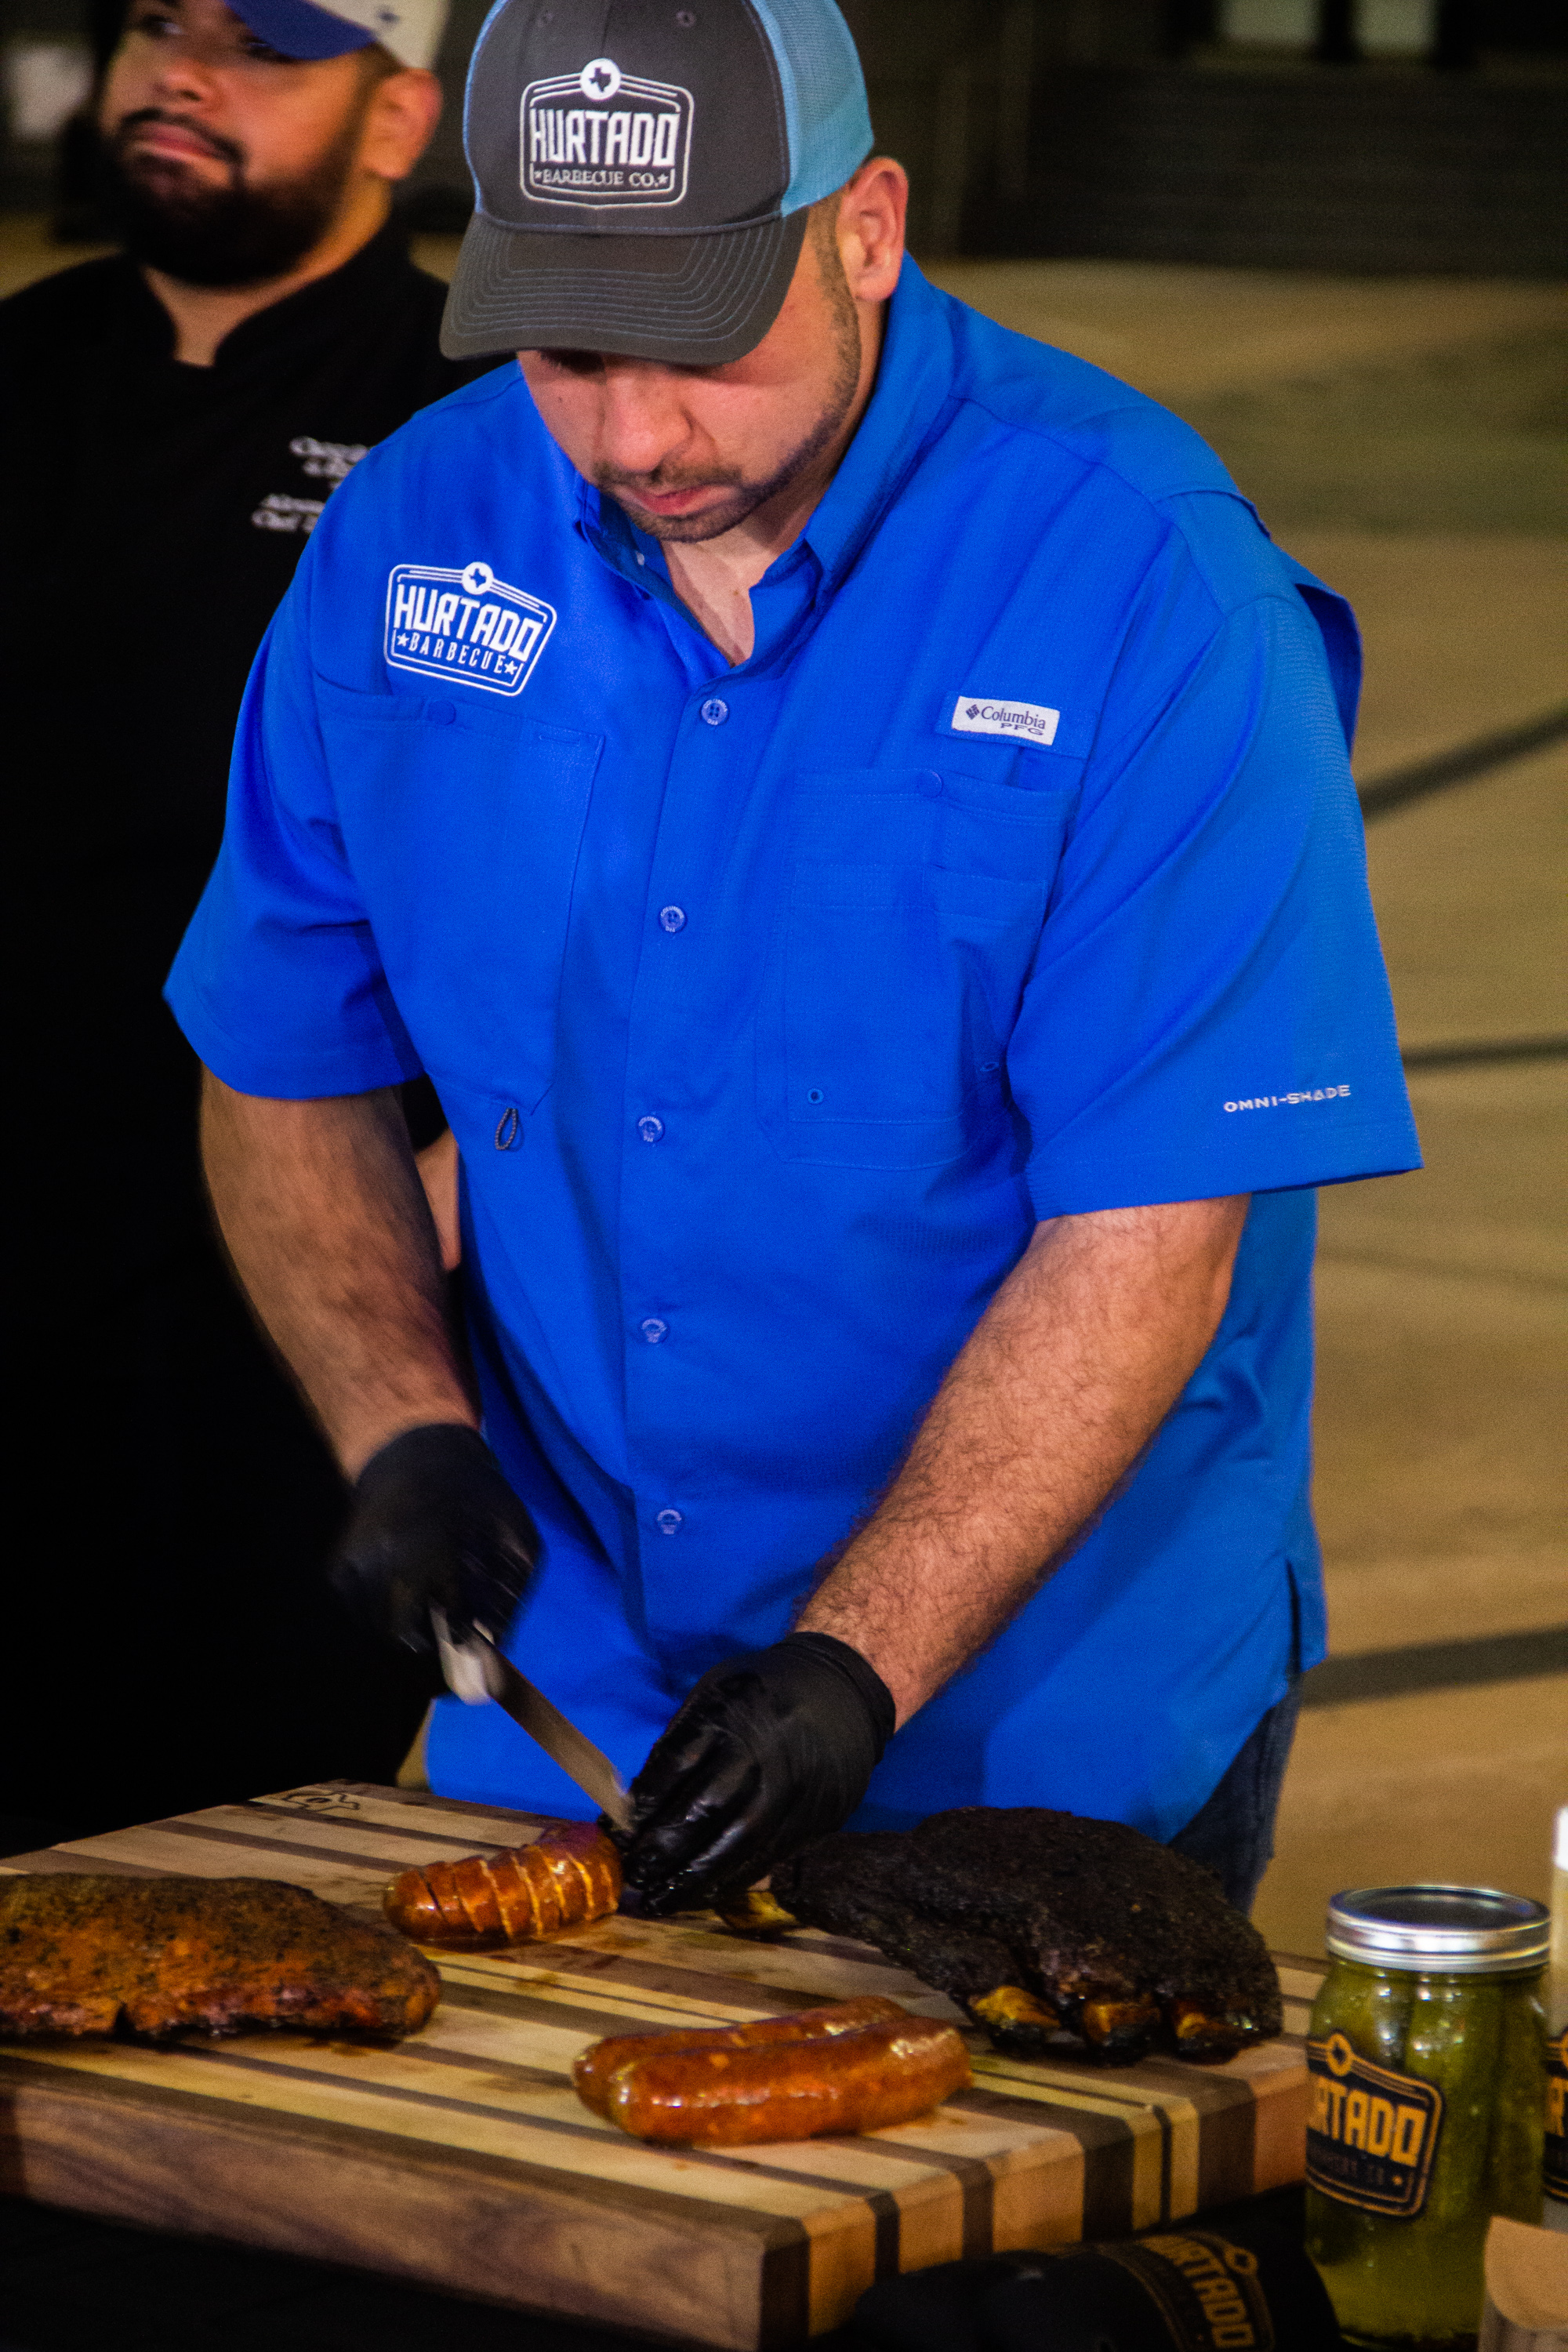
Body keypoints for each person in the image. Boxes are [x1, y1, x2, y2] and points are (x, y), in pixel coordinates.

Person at [166, 0, 1421, 1918]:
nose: (638, 434)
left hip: (1034, 1714)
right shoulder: (412, 535)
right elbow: (279, 1050)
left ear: (867, 231)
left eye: (701, 344)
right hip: (572, 1694)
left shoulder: (1145, 595)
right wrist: (398, 1424)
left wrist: (860, 1663)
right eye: (569, 353)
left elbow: (1152, 1234)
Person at [1, 0, 485, 1842]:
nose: (183, 74)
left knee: (232, 1867)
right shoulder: (26, 368)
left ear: (394, 120)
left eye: (263, 47)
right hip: (21, 1257)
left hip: (297, 1312)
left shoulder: (481, 426)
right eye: (156, 27)